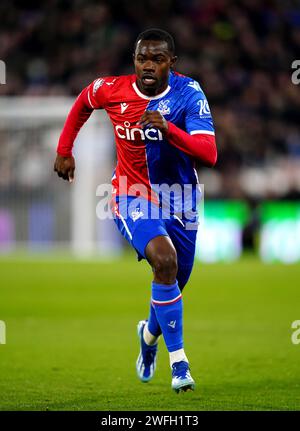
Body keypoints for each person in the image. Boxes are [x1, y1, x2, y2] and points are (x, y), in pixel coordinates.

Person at [54, 28, 217, 393]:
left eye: (157, 59)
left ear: (171, 64)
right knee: (164, 261)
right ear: (134, 60)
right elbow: (82, 101)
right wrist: (65, 149)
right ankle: (180, 364)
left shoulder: (188, 94)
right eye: (143, 58)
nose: (148, 65)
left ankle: (147, 336)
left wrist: (170, 129)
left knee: (173, 279)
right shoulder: (111, 90)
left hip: (181, 199)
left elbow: (209, 153)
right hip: (131, 194)